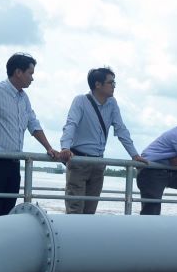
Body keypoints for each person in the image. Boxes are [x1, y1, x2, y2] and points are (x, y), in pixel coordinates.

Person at [0, 53, 59, 220]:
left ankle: (2, 246)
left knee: (8, 214)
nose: (32, 78)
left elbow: (33, 124)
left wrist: (49, 148)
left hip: (14, 162)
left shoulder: (24, 98)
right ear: (18, 72)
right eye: (30, 73)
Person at [59, 67, 145, 215]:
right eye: (110, 82)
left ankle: (85, 238)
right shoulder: (80, 101)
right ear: (98, 84)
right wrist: (65, 147)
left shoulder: (112, 103)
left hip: (98, 163)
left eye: (114, 83)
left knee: (90, 211)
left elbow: (121, 129)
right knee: (75, 209)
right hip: (79, 160)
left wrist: (134, 155)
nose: (113, 86)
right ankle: (73, 238)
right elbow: (71, 124)